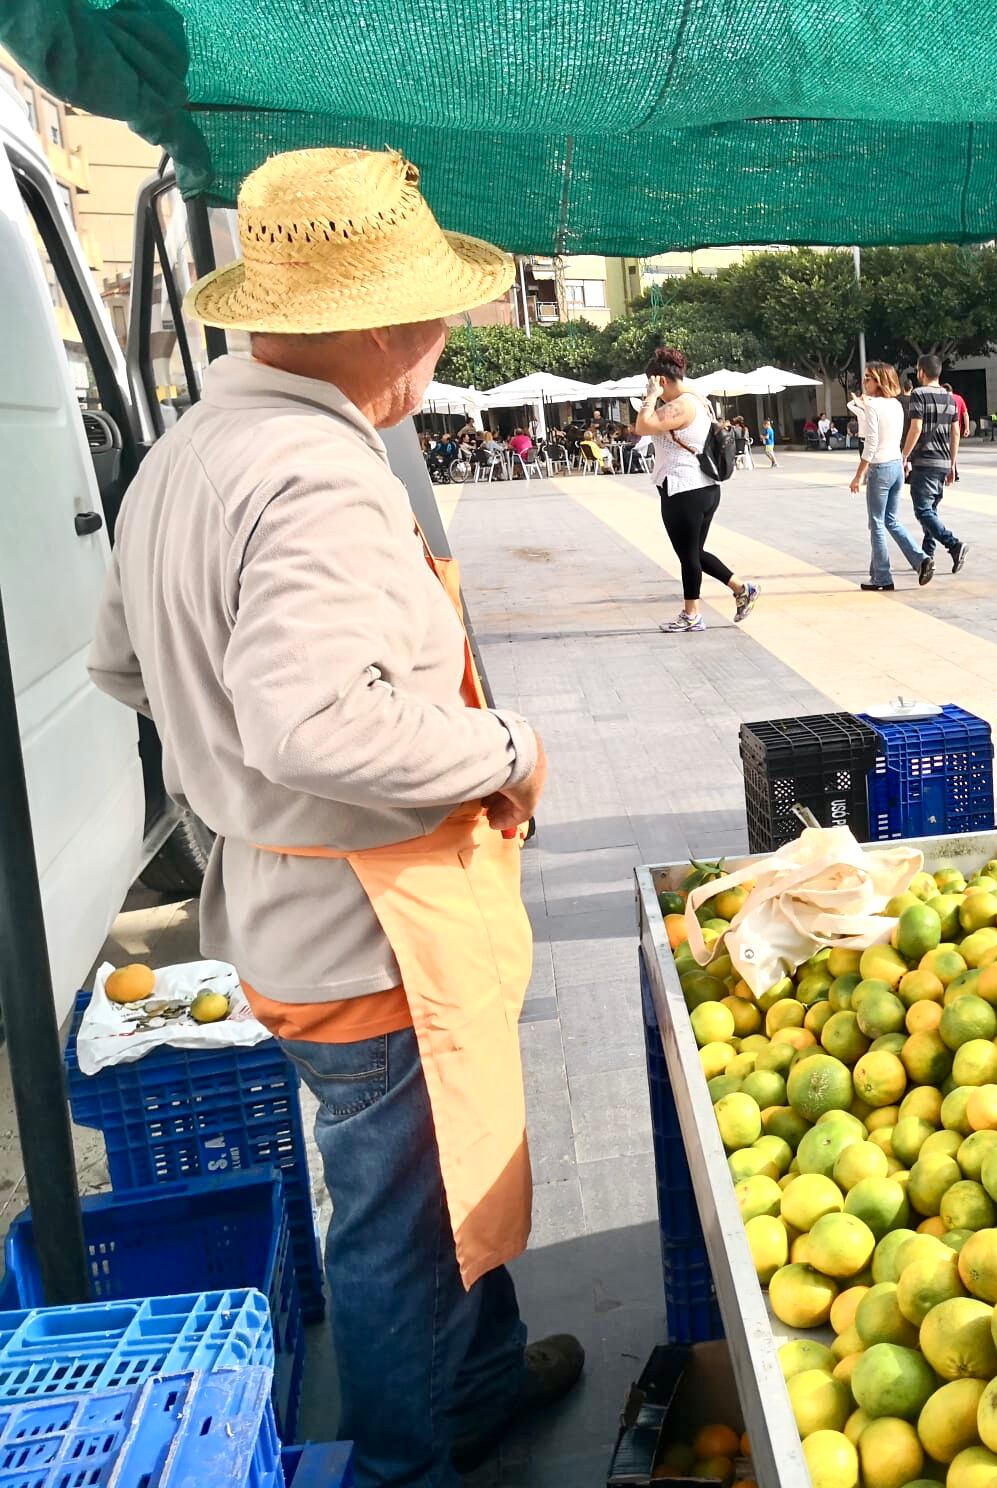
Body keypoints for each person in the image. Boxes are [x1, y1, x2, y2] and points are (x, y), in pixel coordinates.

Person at [84, 146, 581, 1487]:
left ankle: (475, 1383)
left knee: (416, 1191)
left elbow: (122, 665)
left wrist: (216, 751)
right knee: (394, 1225)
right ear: (359, 324)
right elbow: (312, 718)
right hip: (369, 931)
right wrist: (506, 747)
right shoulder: (320, 476)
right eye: (426, 310)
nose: (438, 339)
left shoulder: (189, 453)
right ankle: (420, 1459)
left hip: (283, 906)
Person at [633, 346, 759, 632]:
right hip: (703, 488)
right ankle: (742, 589)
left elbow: (642, 426)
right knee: (693, 552)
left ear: (661, 381)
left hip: (684, 488)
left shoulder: (680, 406)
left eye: (654, 384)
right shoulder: (697, 399)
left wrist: (651, 396)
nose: (654, 392)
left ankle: (693, 614)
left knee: (689, 555)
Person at [850, 362, 924, 591]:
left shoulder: (874, 406)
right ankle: (921, 560)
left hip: (880, 467)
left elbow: (870, 443)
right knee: (890, 520)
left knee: (877, 523)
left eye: (868, 379)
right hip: (895, 465)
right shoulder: (896, 405)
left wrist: (858, 475)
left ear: (880, 381)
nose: (864, 382)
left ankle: (882, 576)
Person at [904, 354, 969, 578]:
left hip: (924, 461)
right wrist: (952, 464)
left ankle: (954, 545)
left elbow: (916, 428)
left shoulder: (918, 394)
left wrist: (904, 455)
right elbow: (956, 432)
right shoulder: (950, 398)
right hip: (943, 462)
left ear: (922, 371)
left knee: (922, 511)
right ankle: (926, 556)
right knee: (930, 510)